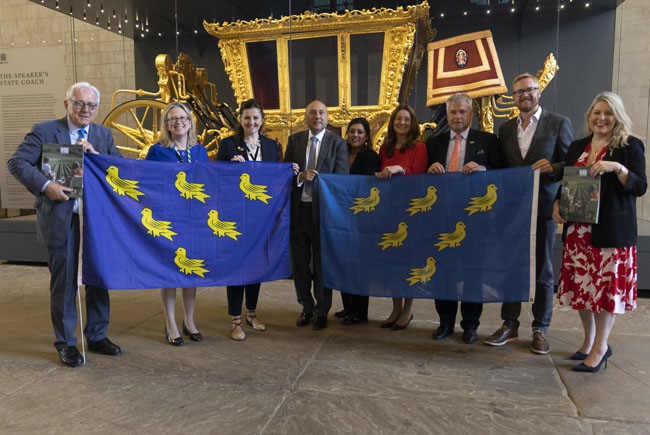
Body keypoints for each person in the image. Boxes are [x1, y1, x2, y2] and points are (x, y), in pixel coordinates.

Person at [8, 82, 122, 367]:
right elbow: (17, 163)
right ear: (67, 104)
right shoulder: (45, 130)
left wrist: (96, 155)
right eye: (80, 103)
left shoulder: (102, 134)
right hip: (61, 217)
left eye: (92, 106)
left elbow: (118, 169)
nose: (86, 110)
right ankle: (66, 343)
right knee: (65, 283)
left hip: (95, 221)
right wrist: (46, 185)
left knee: (98, 279)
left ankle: (96, 335)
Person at [552, 92, 646, 372]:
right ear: (589, 116)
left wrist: (617, 167)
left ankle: (601, 347)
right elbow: (569, 180)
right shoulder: (578, 146)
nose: (601, 118)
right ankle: (589, 341)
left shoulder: (629, 146)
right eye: (596, 113)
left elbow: (639, 186)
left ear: (617, 116)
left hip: (610, 234)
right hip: (578, 233)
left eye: (608, 113)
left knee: (604, 292)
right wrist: (558, 201)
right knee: (582, 289)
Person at [484, 73, 574, 354]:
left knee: (543, 269)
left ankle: (540, 328)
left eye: (530, 90)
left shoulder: (558, 123)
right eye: (519, 92)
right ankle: (510, 324)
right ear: (514, 97)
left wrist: (555, 175)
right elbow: (500, 169)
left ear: (539, 92)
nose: (525, 95)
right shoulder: (506, 129)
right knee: (511, 267)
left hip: (545, 208)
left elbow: (570, 165)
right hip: (513, 210)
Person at [426, 93, 502, 344]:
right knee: (443, 272)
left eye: (462, 112)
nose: (457, 116)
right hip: (442, 217)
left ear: (471, 114)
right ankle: (445, 323)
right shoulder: (433, 143)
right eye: (452, 112)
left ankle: (470, 326)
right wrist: (430, 171)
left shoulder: (488, 141)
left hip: (475, 219)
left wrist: (484, 170)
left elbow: (503, 174)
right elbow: (422, 179)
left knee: (472, 273)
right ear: (446, 115)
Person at [216, 98, 289, 340]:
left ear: (262, 120)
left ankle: (252, 312)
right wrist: (229, 166)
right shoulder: (228, 145)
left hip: (261, 216)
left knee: (256, 264)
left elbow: (275, 177)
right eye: (247, 118)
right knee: (238, 266)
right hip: (236, 214)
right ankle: (235, 320)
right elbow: (216, 177)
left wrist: (292, 172)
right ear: (240, 119)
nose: (252, 122)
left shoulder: (271, 146)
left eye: (256, 118)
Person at [145, 102, 209, 346]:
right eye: (172, 119)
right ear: (166, 125)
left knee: (190, 271)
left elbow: (208, 180)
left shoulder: (200, 150)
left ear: (190, 122)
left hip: (194, 219)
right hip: (168, 217)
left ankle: (190, 320)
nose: (178, 122)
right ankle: (170, 322)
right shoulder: (157, 151)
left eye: (183, 118)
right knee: (170, 272)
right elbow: (146, 181)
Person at [284, 100, 348, 330]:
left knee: (322, 263)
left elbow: (341, 179)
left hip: (324, 214)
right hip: (299, 210)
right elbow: (285, 175)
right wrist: (300, 177)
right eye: (312, 112)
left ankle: (322, 310)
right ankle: (306, 307)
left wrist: (321, 180)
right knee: (299, 264)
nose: (317, 116)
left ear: (327, 117)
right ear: (306, 117)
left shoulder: (338, 143)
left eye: (321, 112)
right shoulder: (294, 141)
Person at [375, 104, 428, 330]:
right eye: (398, 119)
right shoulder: (384, 148)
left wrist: (401, 170)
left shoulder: (419, 147)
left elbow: (420, 178)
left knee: (409, 261)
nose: (402, 123)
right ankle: (396, 307)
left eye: (407, 119)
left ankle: (408, 308)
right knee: (392, 262)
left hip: (412, 212)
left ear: (412, 123)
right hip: (389, 210)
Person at [337, 117, 381, 326]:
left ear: (366, 137)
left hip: (362, 217)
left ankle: (359, 312)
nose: (355, 135)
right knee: (344, 263)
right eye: (352, 131)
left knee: (358, 266)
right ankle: (347, 307)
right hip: (340, 215)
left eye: (360, 132)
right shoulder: (341, 154)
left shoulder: (371, 157)